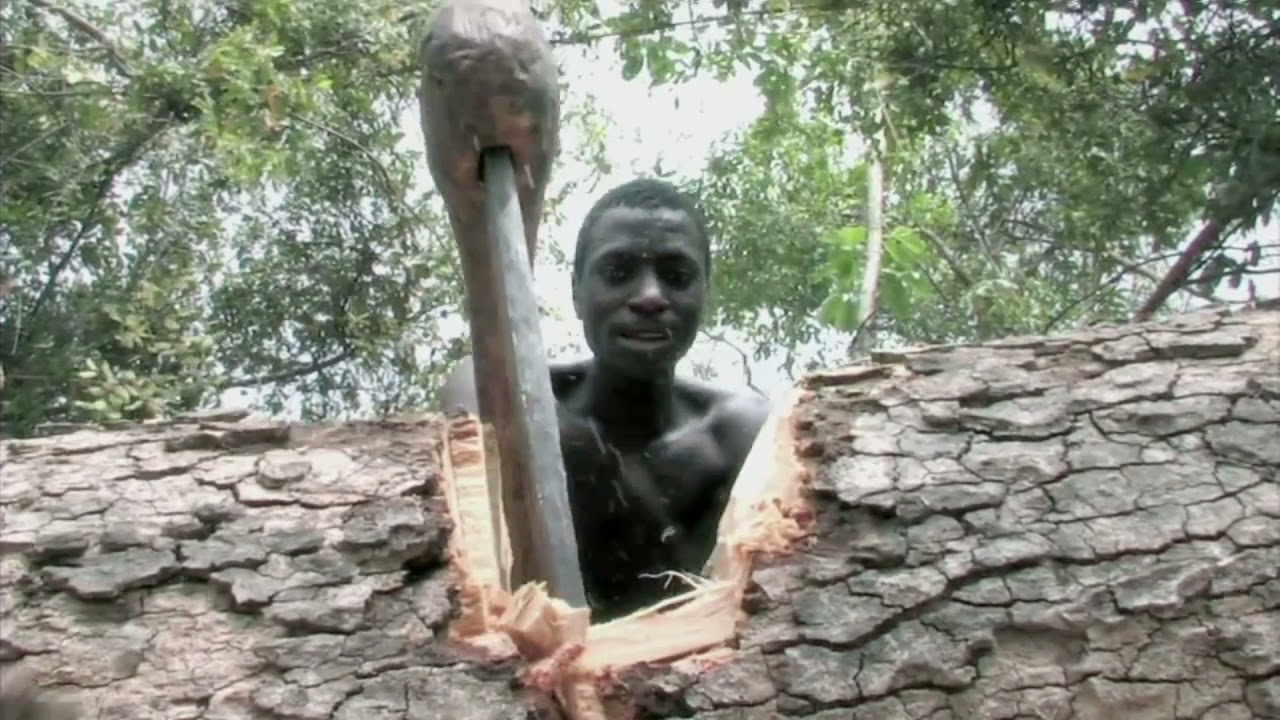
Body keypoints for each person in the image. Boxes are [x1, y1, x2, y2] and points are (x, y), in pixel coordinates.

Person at [436, 178, 770, 620]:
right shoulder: (505, 399)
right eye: (617, 272)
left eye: (677, 275)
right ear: (577, 291)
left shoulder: (741, 435)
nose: (650, 295)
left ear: (704, 291)